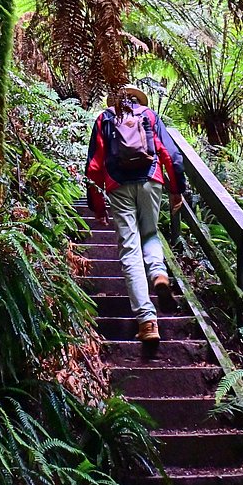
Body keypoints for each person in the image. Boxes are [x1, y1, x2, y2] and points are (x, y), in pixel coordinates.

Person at [86, 84, 186, 343]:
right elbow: (170, 154)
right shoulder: (149, 115)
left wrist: (98, 207)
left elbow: (94, 166)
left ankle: (147, 321)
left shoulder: (104, 119)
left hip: (118, 184)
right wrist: (176, 189)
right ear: (137, 99)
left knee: (130, 248)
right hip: (151, 179)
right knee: (150, 233)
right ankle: (159, 275)